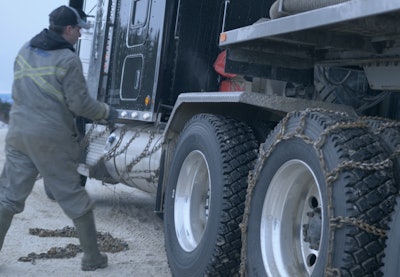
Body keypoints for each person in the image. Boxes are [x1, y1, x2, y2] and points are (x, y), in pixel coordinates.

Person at [0, 5, 118, 271]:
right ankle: (92, 258)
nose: (80, 35)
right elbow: (80, 105)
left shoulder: (24, 50)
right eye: (78, 30)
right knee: (75, 198)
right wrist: (108, 112)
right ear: (68, 29)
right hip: (50, 139)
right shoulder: (67, 59)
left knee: (7, 197)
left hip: (18, 134)